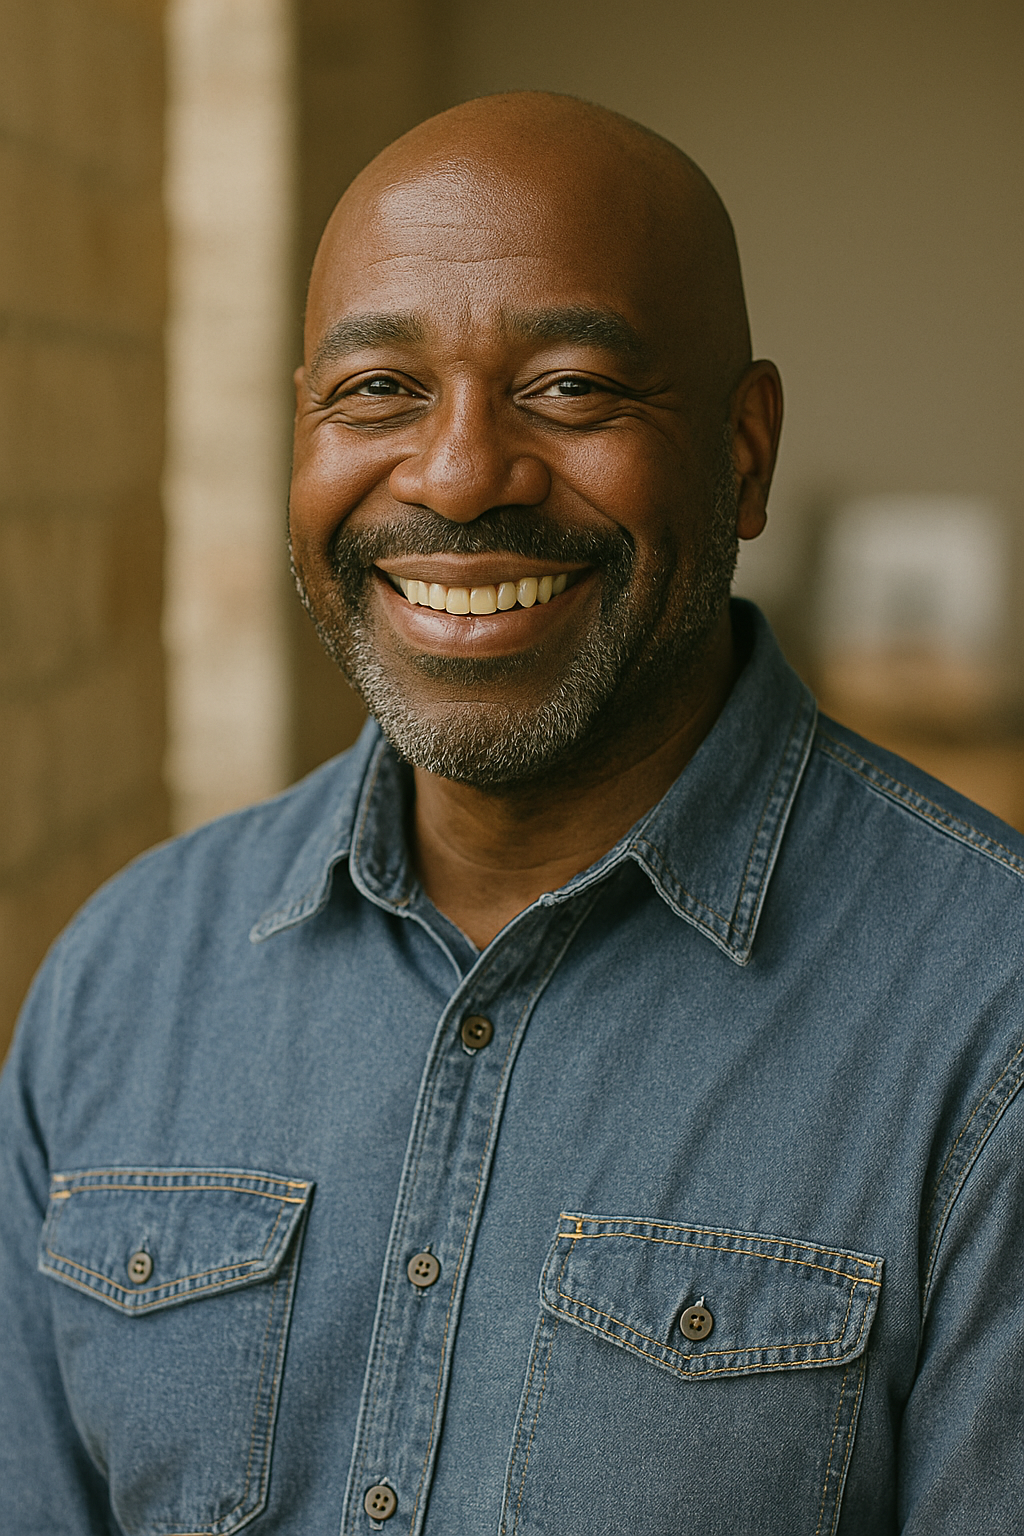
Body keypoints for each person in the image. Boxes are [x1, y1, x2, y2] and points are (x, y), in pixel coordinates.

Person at [2, 91, 1023, 1536]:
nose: (461, 472)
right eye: (379, 392)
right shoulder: (123, 984)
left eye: (571, 388)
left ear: (743, 451)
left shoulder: (992, 1023)